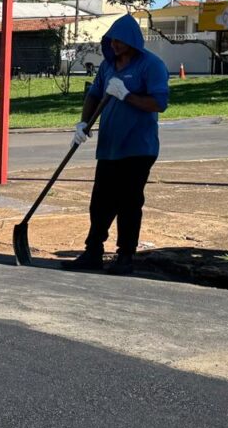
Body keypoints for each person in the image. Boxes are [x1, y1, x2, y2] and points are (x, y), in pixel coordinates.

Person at [62, 14, 170, 276]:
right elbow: (94, 95)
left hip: (138, 148)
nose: (114, 45)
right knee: (100, 202)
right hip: (109, 146)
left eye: (119, 41)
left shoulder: (151, 65)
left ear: (132, 41)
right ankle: (93, 251)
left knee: (129, 203)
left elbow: (159, 103)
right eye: (111, 41)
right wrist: (83, 123)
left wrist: (126, 95)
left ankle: (125, 255)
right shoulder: (108, 66)